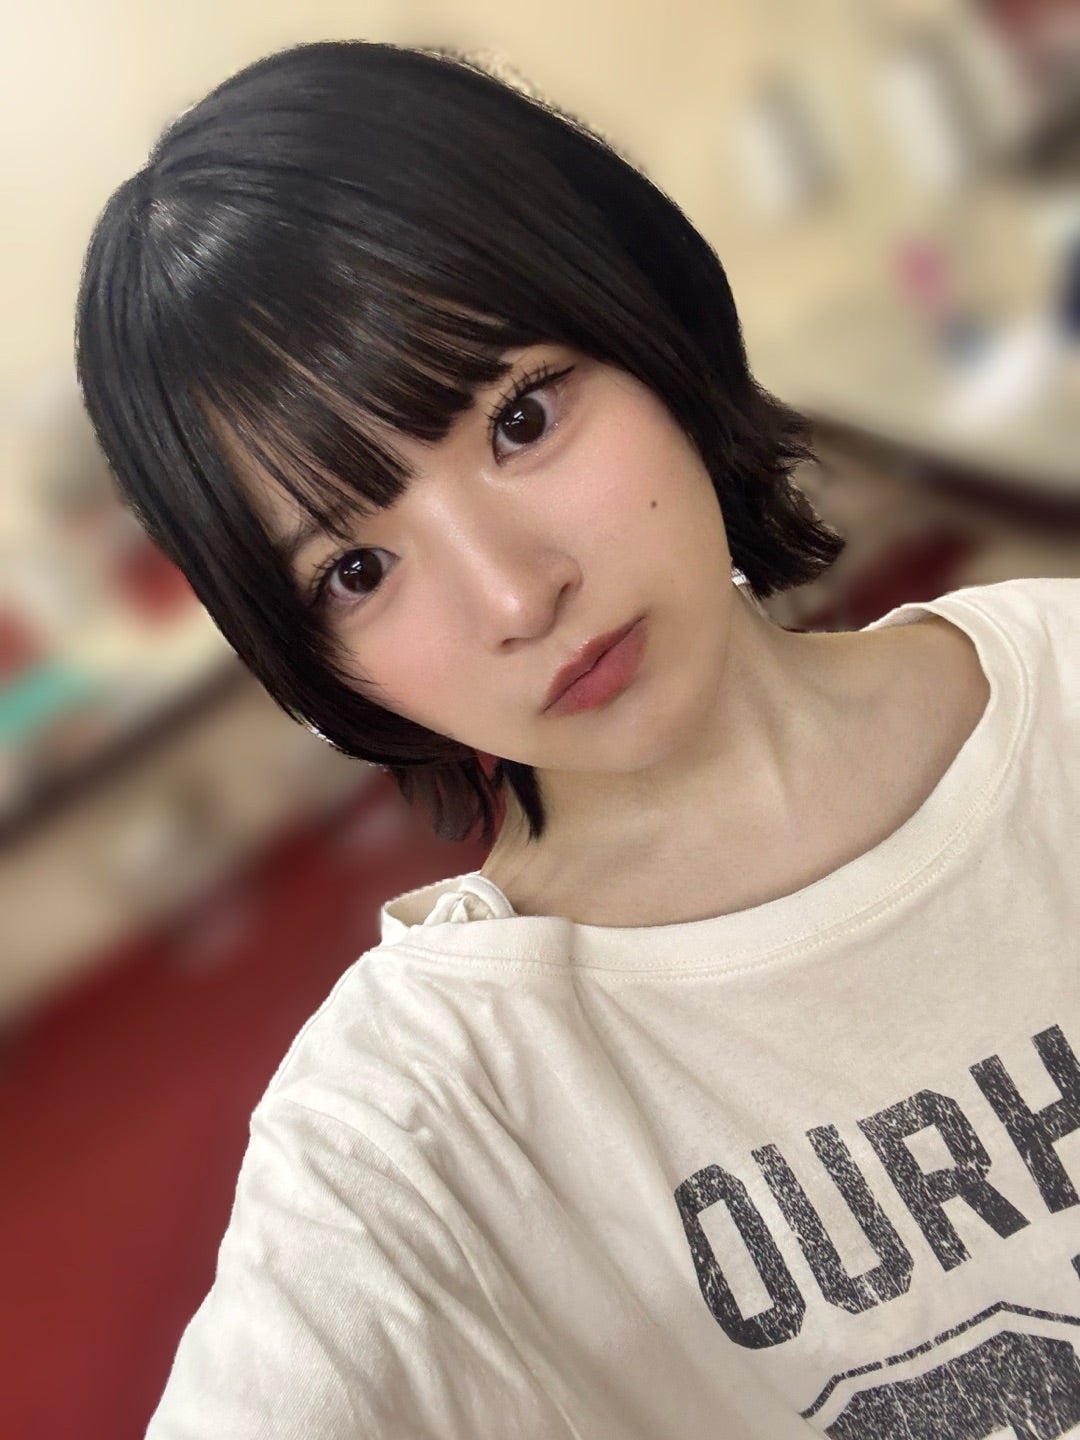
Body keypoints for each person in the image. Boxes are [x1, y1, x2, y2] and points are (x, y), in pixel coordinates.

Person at [76, 39, 1079, 1440]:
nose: (514, 596)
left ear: (645, 314)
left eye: (521, 419)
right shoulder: (420, 1116)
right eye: (356, 570)